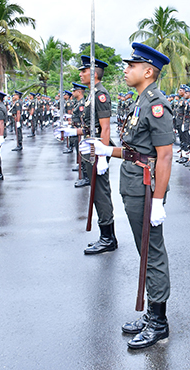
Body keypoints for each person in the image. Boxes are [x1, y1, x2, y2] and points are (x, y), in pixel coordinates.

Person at [80, 42, 173, 349]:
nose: (125, 69)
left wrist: (158, 199)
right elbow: (136, 150)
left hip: (146, 189)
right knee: (143, 249)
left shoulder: (156, 104)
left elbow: (164, 156)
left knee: (151, 251)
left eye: (131, 66)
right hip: (135, 184)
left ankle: (158, 321)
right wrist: (108, 150)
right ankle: (151, 313)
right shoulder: (140, 101)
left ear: (148, 71)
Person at [58, 55, 117, 255]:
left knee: (101, 193)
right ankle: (106, 235)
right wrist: (73, 132)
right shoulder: (92, 94)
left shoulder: (100, 94)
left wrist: (103, 155)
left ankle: (108, 237)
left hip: (99, 148)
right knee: (96, 193)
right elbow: (89, 127)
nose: (80, 74)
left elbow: (105, 127)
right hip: (93, 145)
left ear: (93, 73)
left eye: (83, 71)